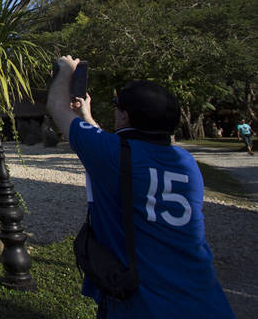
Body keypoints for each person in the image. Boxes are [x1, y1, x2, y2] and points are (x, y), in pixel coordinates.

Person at [47, 56, 234, 318]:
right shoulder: (185, 162)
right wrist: (86, 114)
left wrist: (65, 70)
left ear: (125, 115)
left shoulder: (113, 155)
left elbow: (56, 106)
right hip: (206, 301)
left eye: (117, 106)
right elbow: (115, 154)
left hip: (143, 305)